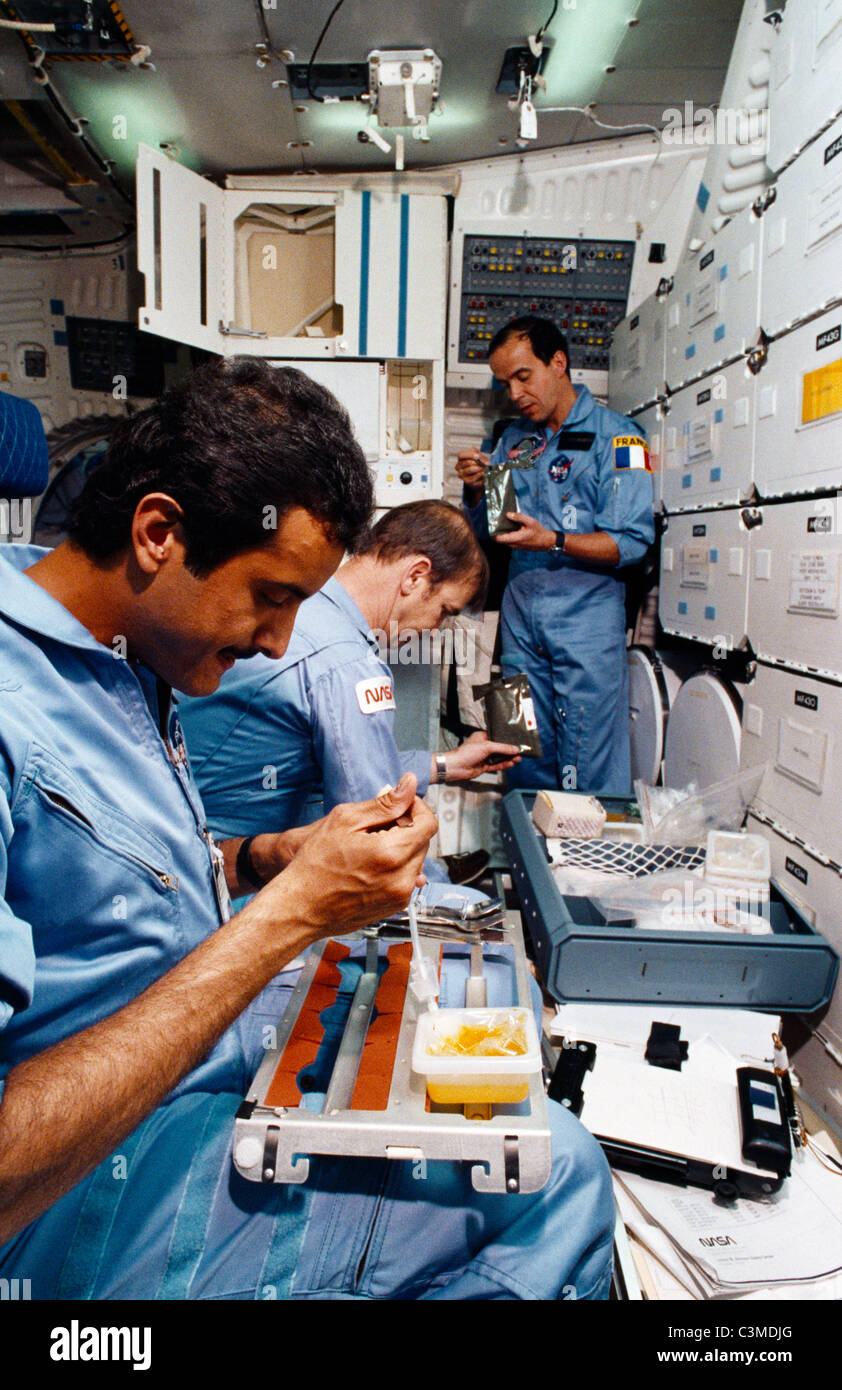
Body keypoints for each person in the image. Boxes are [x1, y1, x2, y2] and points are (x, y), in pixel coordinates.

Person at [0, 356, 615, 1301]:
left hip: (179, 1060)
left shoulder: (122, 659)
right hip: (73, 1188)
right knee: (557, 1174)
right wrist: (287, 914)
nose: (280, 642)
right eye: (272, 596)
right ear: (159, 534)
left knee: (492, 1049)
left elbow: (90, 886)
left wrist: (254, 861)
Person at [178, 500, 522, 890]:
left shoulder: (302, 607)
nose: (434, 629)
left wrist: (447, 764)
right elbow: (371, 833)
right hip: (227, 884)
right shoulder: (348, 665)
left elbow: (352, 761)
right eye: (444, 611)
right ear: (415, 576)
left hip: (196, 850)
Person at [456, 316, 655, 798]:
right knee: (515, 746)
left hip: (587, 622)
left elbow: (632, 541)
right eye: (505, 383)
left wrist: (556, 541)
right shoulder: (511, 442)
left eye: (523, 376)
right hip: (519, 623)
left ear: (559, 363)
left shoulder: (623, 439)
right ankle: (524, 853)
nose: (515, 393)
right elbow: (499, 530)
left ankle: (586, 869)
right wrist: (480, 488)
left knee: (590, 757)